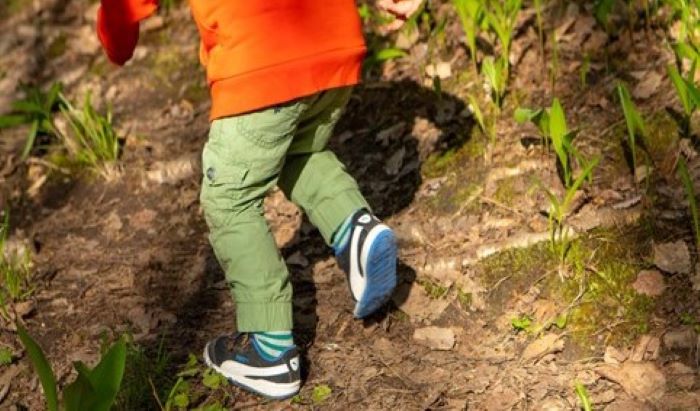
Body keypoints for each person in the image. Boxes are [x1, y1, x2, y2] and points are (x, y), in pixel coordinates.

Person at [96, 0, 422, 400]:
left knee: (228, 198)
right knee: (299, 152)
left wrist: (115, 39)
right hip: (335, 43)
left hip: (259, 57)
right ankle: (356, 230)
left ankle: (270, 349)